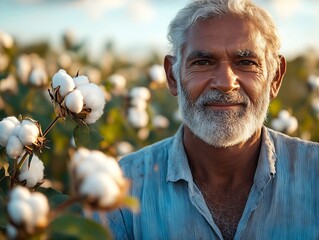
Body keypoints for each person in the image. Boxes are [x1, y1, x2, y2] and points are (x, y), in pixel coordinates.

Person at [93, 0, 319, 239]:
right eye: (202, 62)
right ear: (172, 76)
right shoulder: (118, 188)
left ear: (274, 78)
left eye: (246, 63)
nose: (225, 82)